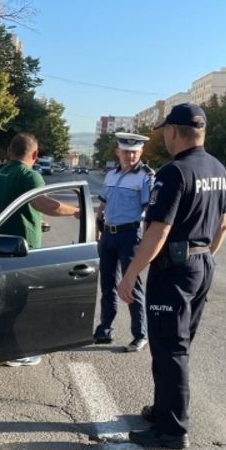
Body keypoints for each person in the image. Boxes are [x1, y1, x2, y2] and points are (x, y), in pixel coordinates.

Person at [113, 103, 226, 449]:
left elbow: (158, 231)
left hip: (175, 270)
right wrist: (202, 260)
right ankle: (162, 410)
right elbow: (223, 225)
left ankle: (172, 430)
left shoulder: (174, 172)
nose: (164, 135)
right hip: (202, 264)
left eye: (165, 129)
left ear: (175, 131)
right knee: (174, 346)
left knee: (171, 349)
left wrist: (130, 275)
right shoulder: (218, 169)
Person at [0, 133, 80, 366]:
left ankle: (1, 346)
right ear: (35, 155)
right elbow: (45, 204)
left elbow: (10, 208)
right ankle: (16, 352)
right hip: (22, 250)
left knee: (7, 298)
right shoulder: (30, 175)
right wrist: (77, 211)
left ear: (9, 151)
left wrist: (36, 221)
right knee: (21, 301)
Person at [93, 132, 154, 352]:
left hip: (130, 236)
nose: (130, 156)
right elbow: (103, 204)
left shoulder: (146, 177)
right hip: (109, 234)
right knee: (107, 285)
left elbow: (149, 211)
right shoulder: (111, 175)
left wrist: (146, 240)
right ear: (118, 152)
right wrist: (98, 227)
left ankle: (140, 335)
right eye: (126, 151)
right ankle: (105, 330)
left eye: (134, 152)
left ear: (141, 152)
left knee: (130, 286)